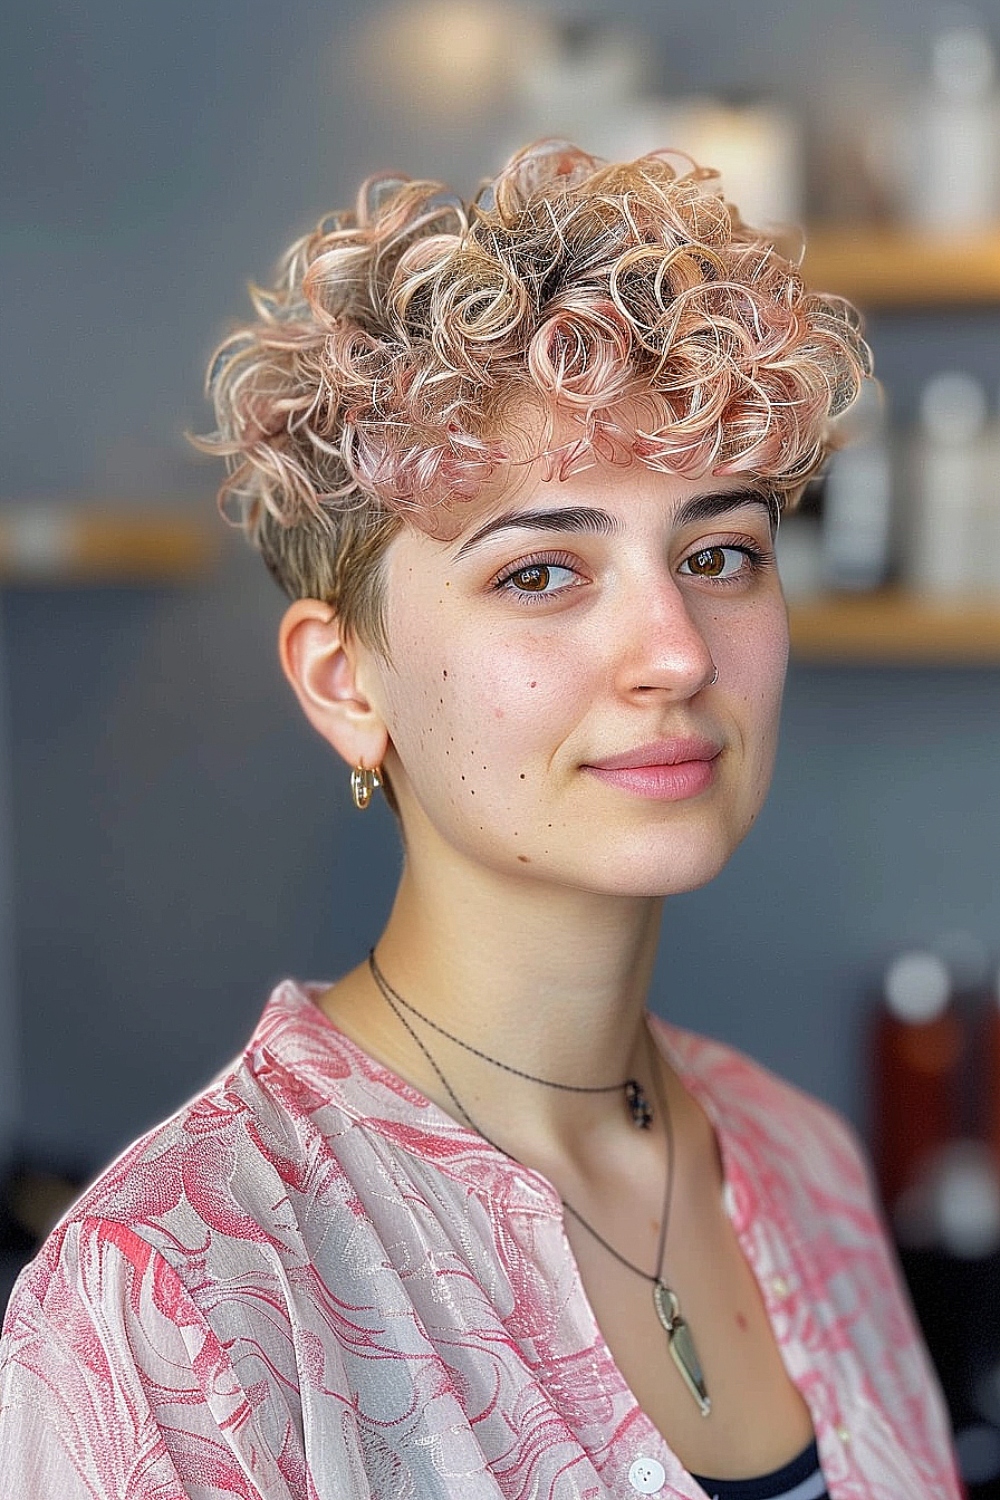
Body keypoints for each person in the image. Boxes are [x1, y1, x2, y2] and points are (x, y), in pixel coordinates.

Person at [0, 142, 961, 1499]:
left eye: (720, 553)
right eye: (544, 571)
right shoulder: (172, 1303)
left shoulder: (799, 1162)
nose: (677, 652)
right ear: (346, 682)